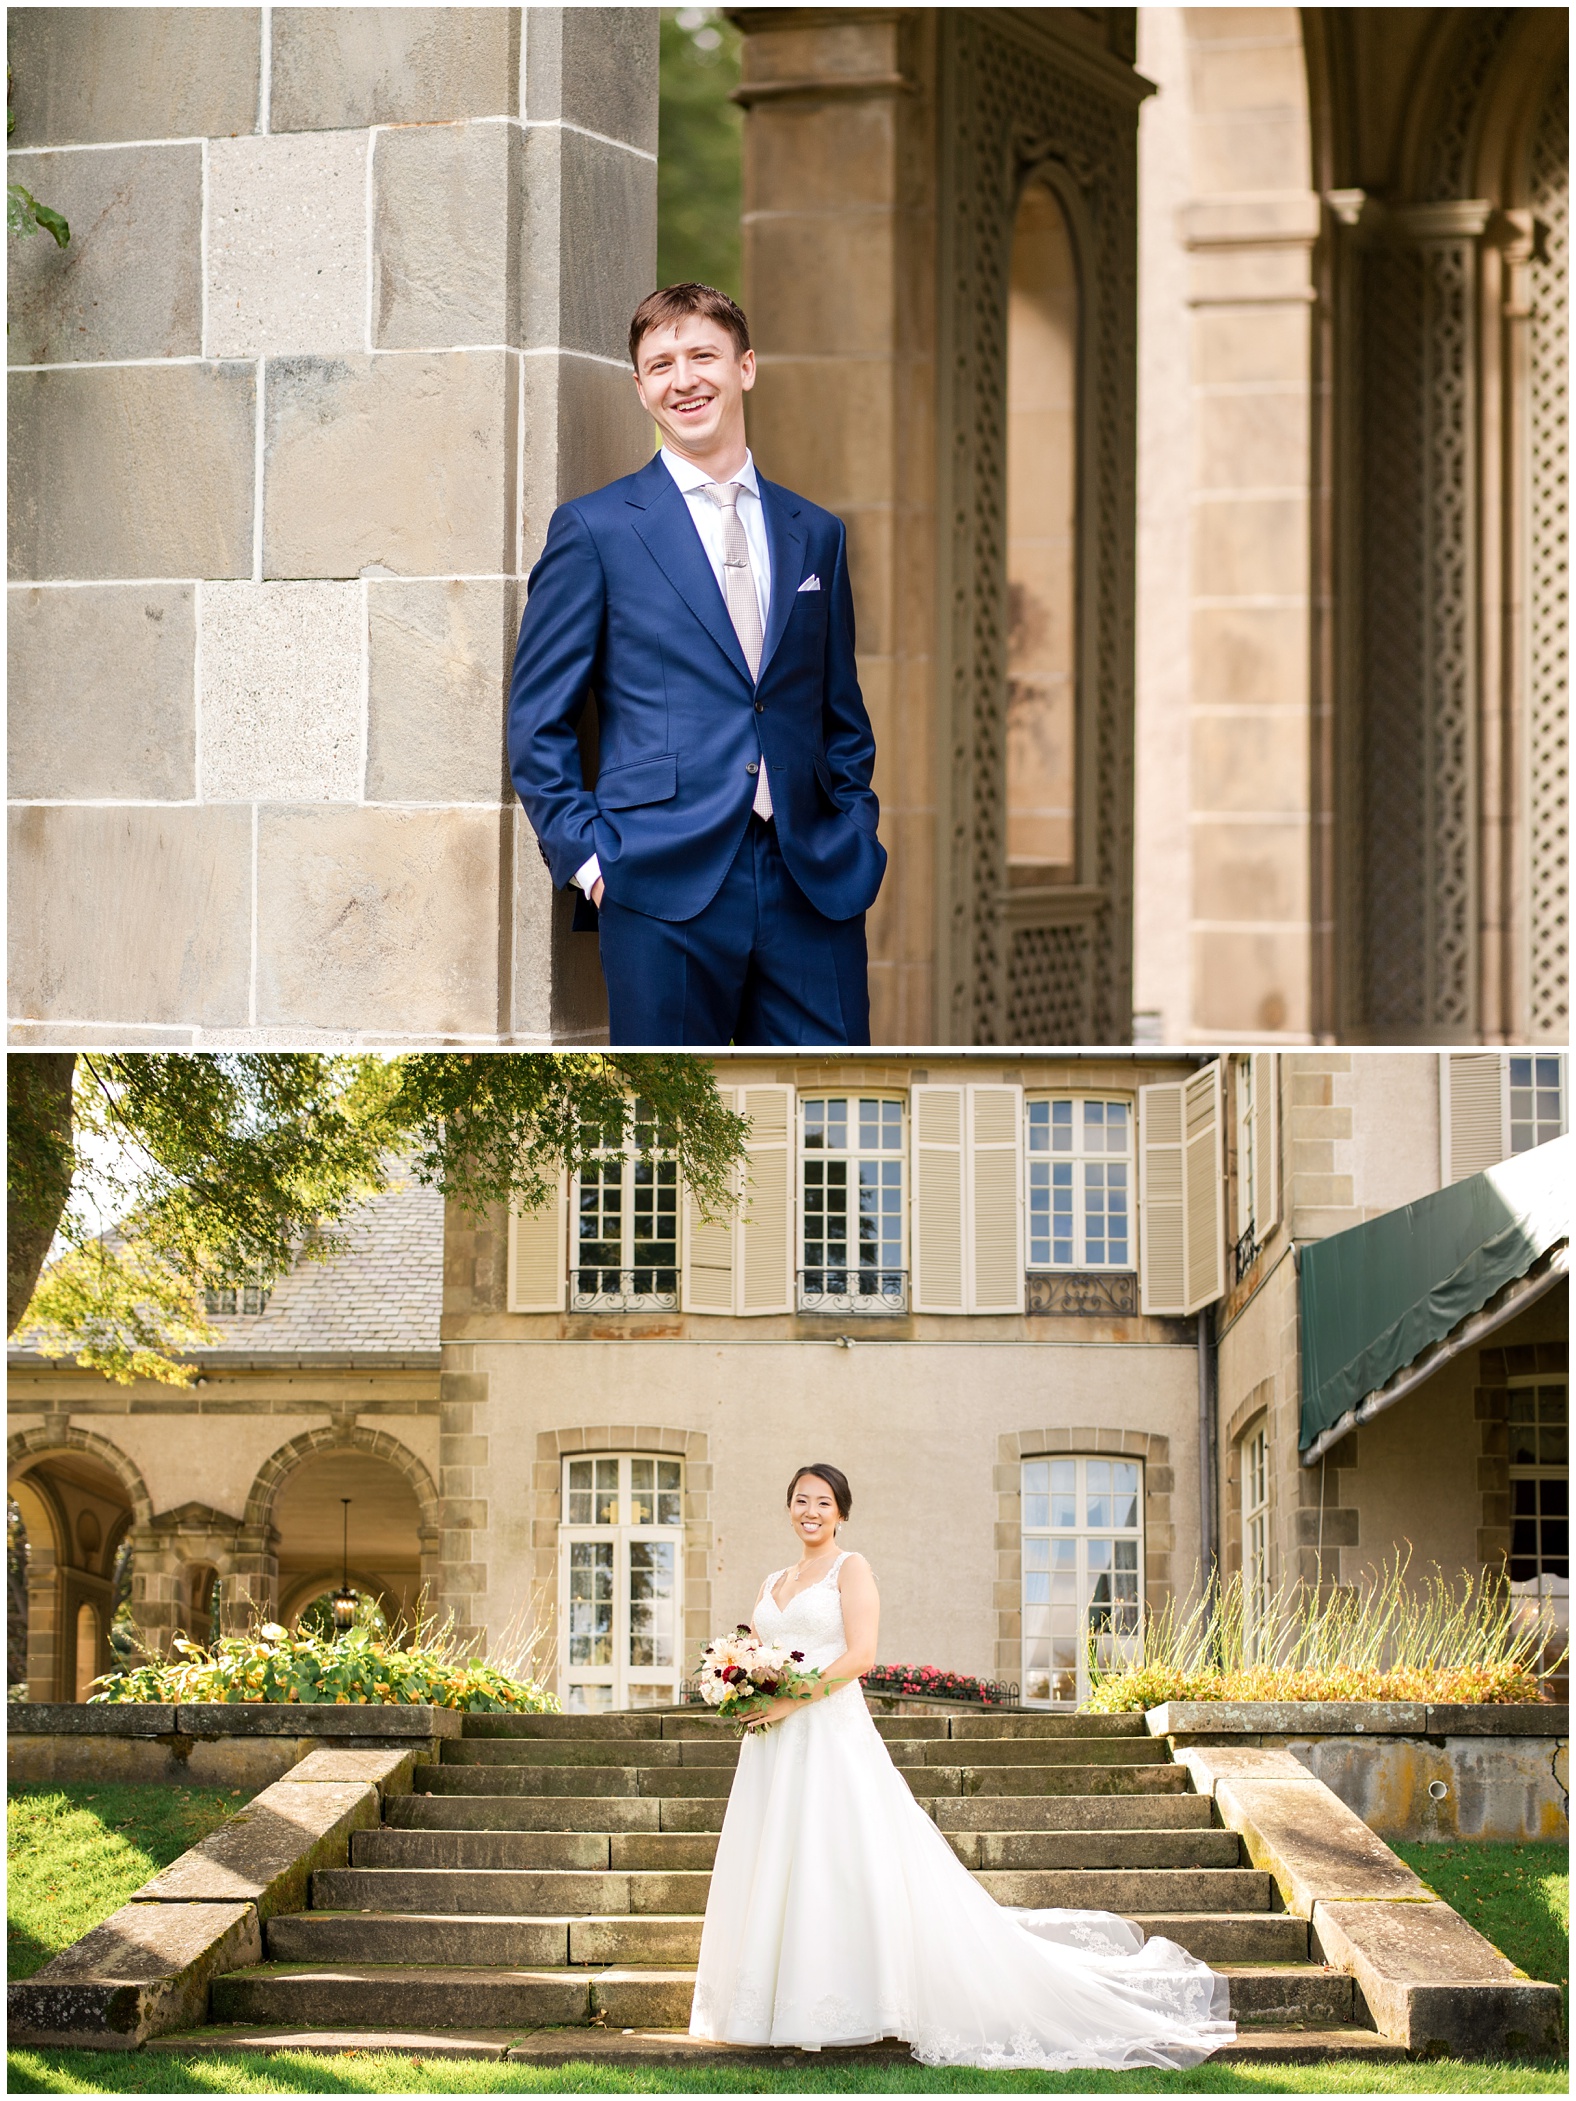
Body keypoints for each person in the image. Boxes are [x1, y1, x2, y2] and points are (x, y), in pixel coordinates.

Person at [690, 1463, 1236, 2070]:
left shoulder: (853, 1568)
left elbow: (862, 1654)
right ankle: (767, 2005)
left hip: (828, 1734)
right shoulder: (775, 1579)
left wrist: (792, 1697)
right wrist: (742, 1684)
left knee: (836, 1856)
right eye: (800, 1500)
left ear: (842, 1511)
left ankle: (853, 2000)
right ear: (788, 1507)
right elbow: (757, 1649)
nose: (810, 1510)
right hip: (772, 1745)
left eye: (823, 1501)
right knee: (778, 1857)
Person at [507, 283, 885, 1046]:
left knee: (824, 1101)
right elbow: (536, 722)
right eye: (661, 364)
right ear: (640, 387)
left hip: (813, 881)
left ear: (745, 367)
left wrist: (856, 829)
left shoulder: (817, 534)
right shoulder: (595, 529)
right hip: (656, 882)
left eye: (702, 356)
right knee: (669, 1122)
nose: (684, 380)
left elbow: (840, 713)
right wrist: (590, 860)